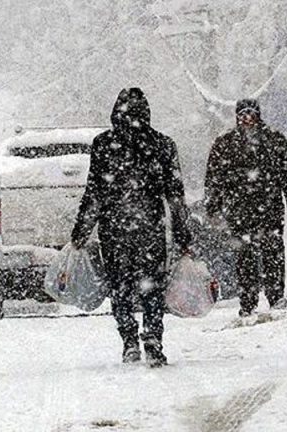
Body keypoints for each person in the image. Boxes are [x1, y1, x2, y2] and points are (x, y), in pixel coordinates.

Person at [71, 87, 192, 368]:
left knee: (121, 287)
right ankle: (152, 339)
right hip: (150, 228)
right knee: (152, 288)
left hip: (115, 229)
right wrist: (183, 233)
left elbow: (95, 193)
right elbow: (175, 195)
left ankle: (129, 340)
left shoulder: (103, 145)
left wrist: (81, 230)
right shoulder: (162, 144)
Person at [205, 98, 287, 317]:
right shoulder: (225, 143)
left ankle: (276, 296)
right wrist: (213, 205)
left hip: (269, 207)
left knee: (272, 253)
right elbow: (214, 177)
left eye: (251, 113)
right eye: (242, 114)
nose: (247, 118)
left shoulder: (274, 139)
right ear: (237, 116)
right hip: (239, 209)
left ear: (258, 115)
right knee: (245, 258)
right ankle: (248, 301)